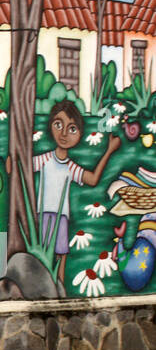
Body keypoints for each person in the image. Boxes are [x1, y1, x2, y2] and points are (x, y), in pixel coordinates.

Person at [25, 100, 119, 295]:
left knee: (61, 255)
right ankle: (42, 289)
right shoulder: (44, 159)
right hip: (42, 214)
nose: (64, 133)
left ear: (79, 134)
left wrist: (109, 151)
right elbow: (19, 167)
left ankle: (60, 290)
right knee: (42, 254)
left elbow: (92, 179)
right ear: (51, 126)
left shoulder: (70, 166)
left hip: (62, 217)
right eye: (58, 125)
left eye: (72, 128)